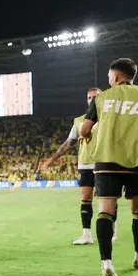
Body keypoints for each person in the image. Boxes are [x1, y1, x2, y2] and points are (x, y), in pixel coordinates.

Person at [80, 58, 138, 276]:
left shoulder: (101, 98)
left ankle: (106, 265)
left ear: (116, 76)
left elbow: (85, 128)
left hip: (106, 161)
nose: (108, 79)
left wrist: (90, 136)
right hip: (135, 162)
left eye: (109, 76)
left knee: (105, 211)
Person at [42, 88, 108, 245]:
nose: (92, 100)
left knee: (106, 200)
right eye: (89, 97)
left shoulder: (109, 119)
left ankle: (110, 231)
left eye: (95, 97)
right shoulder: (79, 121)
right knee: (85, 198)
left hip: (104, 163)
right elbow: (68, 143)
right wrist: (52, 159)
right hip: (85, 164)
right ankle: (86, 235)